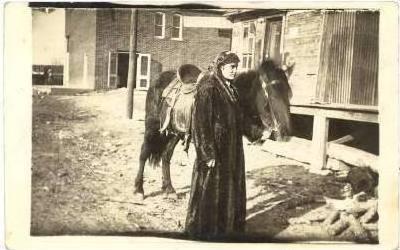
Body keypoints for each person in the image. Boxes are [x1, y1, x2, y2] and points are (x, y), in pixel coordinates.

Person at [185, 51, 269, 241]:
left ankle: (226, 230)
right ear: (222, 68)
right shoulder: (208, 89)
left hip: (232, 150)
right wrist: (208, 153)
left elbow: (240, 119)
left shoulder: (232, 89)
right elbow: (200, 124)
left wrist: (258, 132)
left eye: (236, 67)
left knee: (229, 190)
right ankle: (204, 232)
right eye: (232, 67)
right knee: (209, 192)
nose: (235, 70)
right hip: (215, 150)